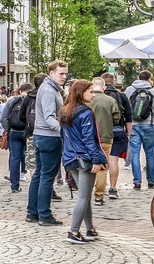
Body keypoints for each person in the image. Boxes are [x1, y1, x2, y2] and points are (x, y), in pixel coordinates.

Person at [60, 79, 108, 244]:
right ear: (81, 93)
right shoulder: (85, 113)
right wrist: (96, 160)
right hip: (84, 158)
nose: (93, 95)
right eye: (90, 91)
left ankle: (90, 229)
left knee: (84, 195)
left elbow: (65, 137)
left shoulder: (65, 110)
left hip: (71, 157)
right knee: (83, 197)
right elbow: (89, 140)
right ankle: (73, 231)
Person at [27, 60, 67, 227]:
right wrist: (63, 131)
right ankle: (44, 214)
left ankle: (33, 212)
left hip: (41, 135)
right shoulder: (50, 91)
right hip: (49, 137)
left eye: (65, 73)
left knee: (39, 174)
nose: (64, 76)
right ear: (51, 73)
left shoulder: (48, 88)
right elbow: (50, 117)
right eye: (61, 73)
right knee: (46, 177)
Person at [125, 70, 154, 190]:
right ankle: (151, 181)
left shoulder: (129, 90)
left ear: (138, 77)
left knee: (135, 154)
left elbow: (124, 109)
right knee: (149, 153)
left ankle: (137, 181)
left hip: (134, 125)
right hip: (149, 125)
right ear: (149, 79)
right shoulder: (152, 91)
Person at [89, 77, 120, 205]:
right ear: (104, 87)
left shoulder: (86, 100)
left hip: (87, 139)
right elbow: (117, 118)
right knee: (102, 167)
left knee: (86, 166)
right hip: (105, 137)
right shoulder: (110, 100)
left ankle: (85, 195)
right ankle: (99, 196)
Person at [101, 73, 131, 198]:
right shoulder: (122, 96)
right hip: (118, 130)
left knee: (101, 160)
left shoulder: (96, 96)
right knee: (113, 160)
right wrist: (128, 134)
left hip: (101, 132)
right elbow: (129, 117)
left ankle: (100, 187)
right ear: (113, 82)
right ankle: (113, 188)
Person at [2, 82, 33, 192]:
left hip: (14, 132)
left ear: (20, 90)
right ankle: (33, 184)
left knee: (15, 158)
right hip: (28, 132)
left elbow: (4, 117)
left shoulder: (12, 101)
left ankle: (14, 186)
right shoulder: (32, 100)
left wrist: (8, 129)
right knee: (31, 158)